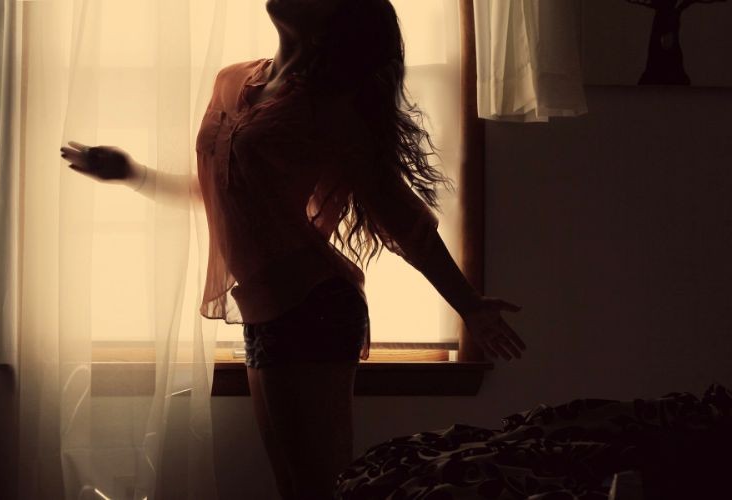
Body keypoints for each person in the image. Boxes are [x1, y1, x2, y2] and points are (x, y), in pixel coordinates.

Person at [60, 0, 527, 498]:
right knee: (295, 486)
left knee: (319, 487)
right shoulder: (232, 81)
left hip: (313, 306)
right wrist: (133, 174)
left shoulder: (330, 109)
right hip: (262, 309)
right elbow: (219, 189)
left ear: (334, 19)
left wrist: (468, 304)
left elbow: (400, 218)